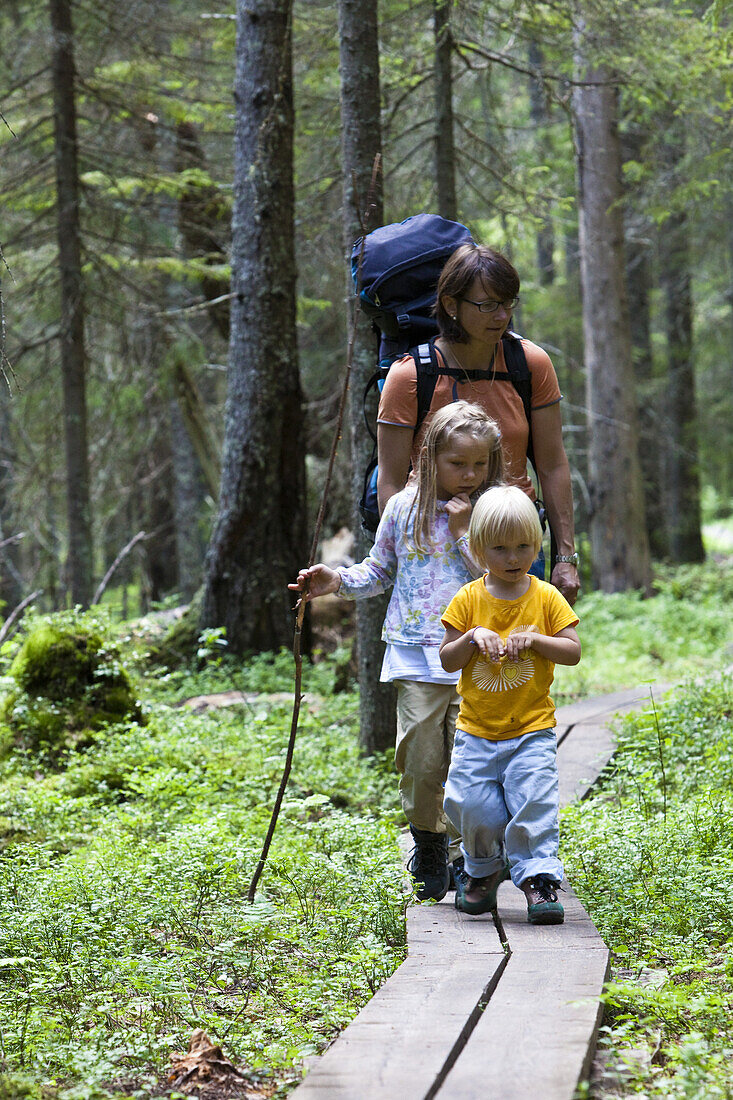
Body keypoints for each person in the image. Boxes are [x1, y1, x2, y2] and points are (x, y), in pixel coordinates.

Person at [289, 402, 505, 902]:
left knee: (469, 762)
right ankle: (429, 841)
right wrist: (335, 580)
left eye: (479, 465)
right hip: (416, 654)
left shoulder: (494, 511)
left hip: (478, 655)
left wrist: (467, 532)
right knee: (422, 757)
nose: (469, 475)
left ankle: (470, 855)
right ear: (430, 458)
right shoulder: (401, 509)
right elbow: (379, 571)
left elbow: (507, 581)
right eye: (458, 464)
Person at [376, 242, 580, 606]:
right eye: (487, 305)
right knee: (442, 659)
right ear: (451, 305)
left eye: (507, 303)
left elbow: (552, 464)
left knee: (518, 660)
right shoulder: (410, 376)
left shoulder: (529, 364)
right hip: (433, 550)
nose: (501, 316)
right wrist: (404, 557)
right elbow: (390, 481)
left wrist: (566, 557)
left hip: (515, 544)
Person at [439, 485, 581, 924]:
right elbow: (447, 661)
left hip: (531, 729)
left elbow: (572, 650)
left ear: (536, 546)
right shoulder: (468, 599)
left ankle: (539, 879)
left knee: (534, 802)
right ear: (479, 549)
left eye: (523, 546)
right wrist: (470, 637)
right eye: (500, 548)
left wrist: (538, 639)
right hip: (476, 731)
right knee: (471, 806)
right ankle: (481, 872)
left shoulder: (544, 597)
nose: (513, 557)